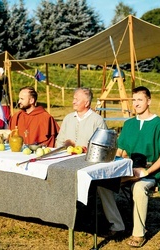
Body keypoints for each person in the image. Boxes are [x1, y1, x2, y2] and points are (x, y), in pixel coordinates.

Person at [55, 87, 125, 236]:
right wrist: (64, 145)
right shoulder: (68, 118)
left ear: (86, 103)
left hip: (91, 164)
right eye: (73, 98)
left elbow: (106, 146)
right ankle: (63, 217)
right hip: (67, 162)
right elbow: (59, 141)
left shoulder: (96, 120)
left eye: (77, 99)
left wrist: (87, 150)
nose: (73, 101)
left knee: (103, 186)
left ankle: (115, 225)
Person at [115, 86, 160, 247]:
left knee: (139, 188)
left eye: (140, 100)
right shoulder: (128, 124)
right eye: (134, 100)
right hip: (128, 169)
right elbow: (120, 152)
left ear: (149, 101)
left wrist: (145, 172)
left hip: (150, 172)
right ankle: (115, 225)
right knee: (103, 185)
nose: (136, 104)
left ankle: (138, 233)